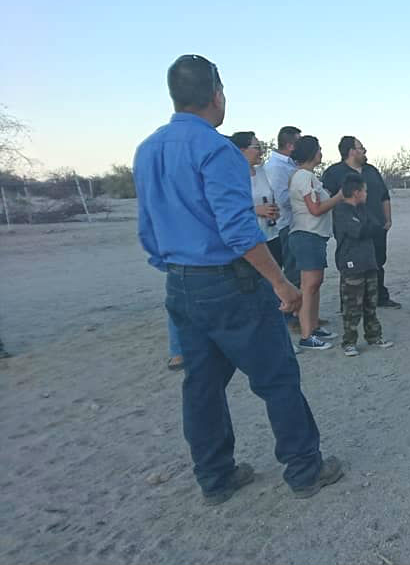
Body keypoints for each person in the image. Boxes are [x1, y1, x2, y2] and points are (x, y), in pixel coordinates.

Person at [134, 54, 342, 503]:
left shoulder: (148, 148)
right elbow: (237, 228)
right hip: (229, 282)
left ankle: (216, 477)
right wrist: (280, 283)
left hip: (181, 283)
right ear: (215, 94)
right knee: (278, 377)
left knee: (202, 386)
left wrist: (175, 269)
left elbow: (147, 226)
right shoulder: (215, 149)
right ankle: (305, 470)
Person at [321, 136, 401, 309]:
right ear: (351, 151)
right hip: (349, 229)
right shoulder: (333, 173)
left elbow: (384, 196)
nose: (364, 151)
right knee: (352, 265)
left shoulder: (371, 170)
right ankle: (350, 304)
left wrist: (388, 219)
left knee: (378, 261)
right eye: (361, 148)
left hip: (376, 226)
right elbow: (325, 199)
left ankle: (378, 297)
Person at [287, 136, 343, 350]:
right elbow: (316, 209)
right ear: (311, 153)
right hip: (306, 235)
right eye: (319, 149)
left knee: (315, 283)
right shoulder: (304, 177)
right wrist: (339, 197)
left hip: (314, 236)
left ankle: (313, 325)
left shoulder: (309, 177)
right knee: (309, 285)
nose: (321, 152)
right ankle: (306, 334)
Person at [332, 174, 394, 356]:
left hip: (369, 261)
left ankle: (374, 335)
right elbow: (358, 231)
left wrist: (368, 227)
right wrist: (366, 227)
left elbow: (377, 226)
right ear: (356, 192)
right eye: (365, 191)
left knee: (370, 303)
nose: (367, 194)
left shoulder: (363, 209)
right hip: (352, 264)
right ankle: (349, 342)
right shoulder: (341, 211)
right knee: (352, 305)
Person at [263, 126, 302, 283]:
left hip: (293, 223)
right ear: (290, 146)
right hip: (285, 226)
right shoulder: (276, 168)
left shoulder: (291, 164)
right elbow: (282, 199)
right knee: (292, 274)